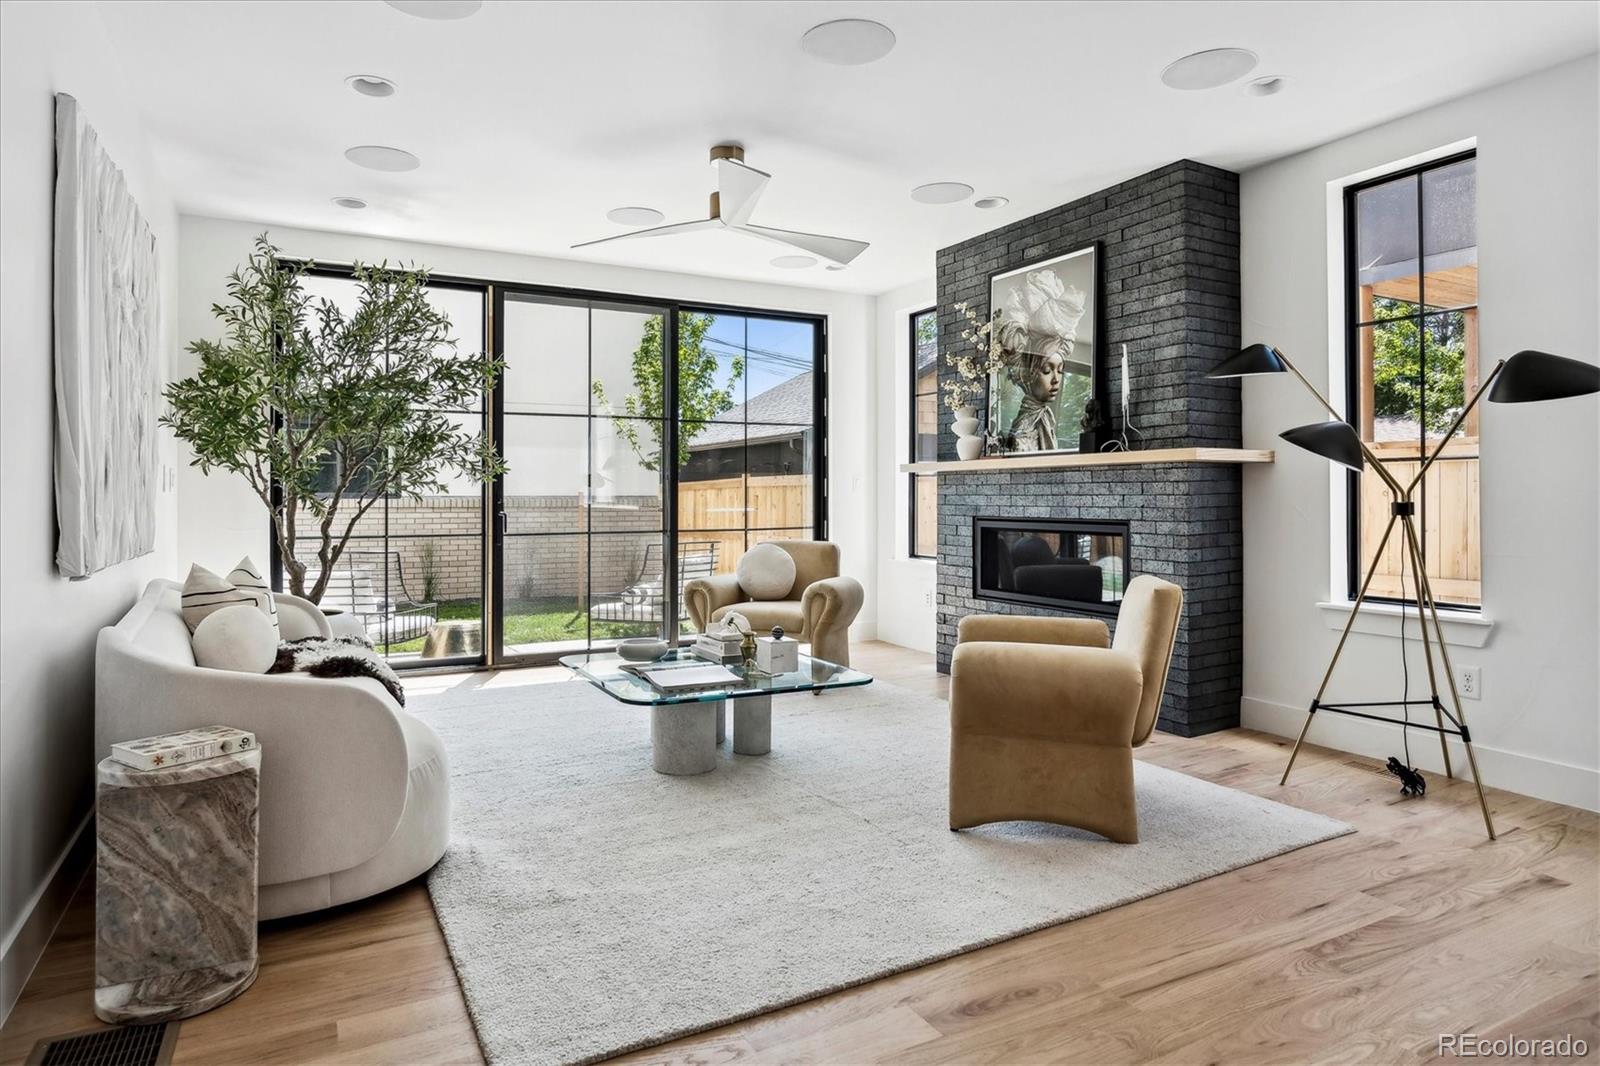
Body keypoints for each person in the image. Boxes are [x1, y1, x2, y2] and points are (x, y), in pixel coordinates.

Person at [996, 268, 1087, 451]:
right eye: (1047, 370)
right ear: (1029, 374)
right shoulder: (1024, 430)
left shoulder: (1044, 418)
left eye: (1060, 371)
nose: (1056, 379)